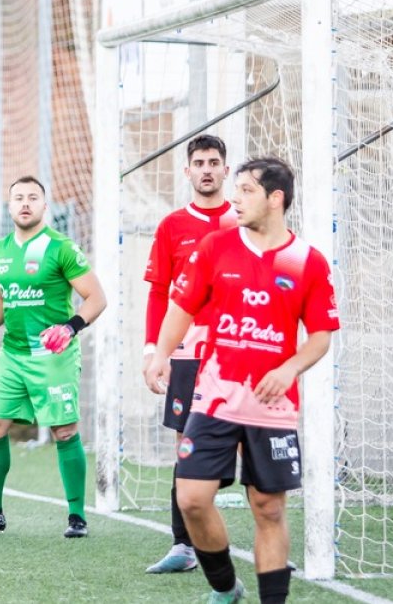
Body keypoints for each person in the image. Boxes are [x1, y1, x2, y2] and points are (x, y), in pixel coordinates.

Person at [144, 157, 339, 604]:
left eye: (247, 190)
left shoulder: (307, 261)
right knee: (192, 497)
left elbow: (321, 337)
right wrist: (159, 353)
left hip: (271, 408)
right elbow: (182, 307)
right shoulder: (217, 247)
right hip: (214, 398)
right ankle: (226, 587)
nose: (236, 197)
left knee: (268, 508)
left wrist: (289, 367)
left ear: (276, 199)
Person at [0, 175, 107, 539]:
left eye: (33, 197)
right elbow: (1, 300)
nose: (25, 203)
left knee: (64, 430)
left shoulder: (61, 248)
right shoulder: (1, 249)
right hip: (13, 354)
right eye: (18, 198)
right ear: (9, 206)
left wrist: (69, 328)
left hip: (53, 355)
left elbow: (97, 298)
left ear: (44, 205)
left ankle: (77, 516)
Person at [141, 134, 237, 574]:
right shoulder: (172, 226)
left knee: (245, 441)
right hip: (186, 354)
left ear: (225, 169)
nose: (206, 169)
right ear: (187, 171)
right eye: (198, 162)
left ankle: (256, 537)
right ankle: (182, 545)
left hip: (237, 352)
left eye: (213, 162)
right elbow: (160, 293)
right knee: (186, 442)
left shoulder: (243, 220)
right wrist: (152, 349)